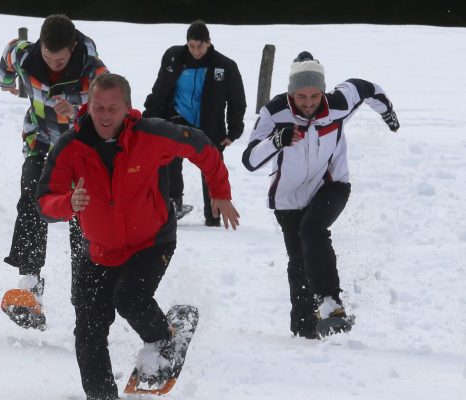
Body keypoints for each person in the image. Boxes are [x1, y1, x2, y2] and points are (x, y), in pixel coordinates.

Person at [36, 73, 240, 400]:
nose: (104, 115)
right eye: (98, 107)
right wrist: (67, 204)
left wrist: (219, 190)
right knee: (88, 331)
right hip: (99, 250)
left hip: (151, 241)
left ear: (127, 108)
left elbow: (201, 145)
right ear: (88, 107)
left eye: (112, 108)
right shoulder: (71, 146)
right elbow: (44, 203)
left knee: (129, 299)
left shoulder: (151, 134)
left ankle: (162, 338)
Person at [242, 51, 400, 339]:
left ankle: (330, 303)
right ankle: (304, 327)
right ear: (291, 93)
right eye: (301, 97)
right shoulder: (274, 112)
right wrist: (277, 140)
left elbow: (367, 88)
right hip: (288, 200)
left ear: (322, 91)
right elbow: (250, 159)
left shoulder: (338, 103)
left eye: (314, 96)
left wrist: (387, 113)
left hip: (332, 184)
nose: (309, 103)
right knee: (299, 261)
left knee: (313, 230)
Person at [0, 14, 108, 329]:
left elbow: (113, 118)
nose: (53, 64)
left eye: (59, 60)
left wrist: (76, 114)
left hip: (80, 148)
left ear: (73, 49)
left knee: (81, 216)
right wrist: (6, 82)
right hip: (39, 139)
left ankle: (85, 298)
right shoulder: (24, 54)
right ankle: (29, 285)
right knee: (32, 198)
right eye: (48, 57)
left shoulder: (95, 73)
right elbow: (7, 55)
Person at [143, 20, 246, 226]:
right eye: (191, 46)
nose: (196, 51)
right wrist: (150, 120)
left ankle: (213, 216)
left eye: (200, 46)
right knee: (170, 159)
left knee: (211, 167)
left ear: (208, 43)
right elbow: (160, 89)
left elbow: (237, 100)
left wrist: (234, 130)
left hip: (210, 125)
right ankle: (174, 203)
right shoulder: (173, 57)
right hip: (177, 118)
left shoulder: (225, 66)